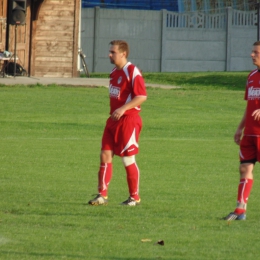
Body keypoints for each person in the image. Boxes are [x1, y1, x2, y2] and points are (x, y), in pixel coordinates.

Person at [88, 40, 147, 206]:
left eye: (113, 52)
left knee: (128, 159)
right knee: (105, 155)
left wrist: (123, 109)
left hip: (128, 121)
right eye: (110, 51)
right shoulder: (114, 72)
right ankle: (102, 195)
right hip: (112, 121)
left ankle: (134, 197)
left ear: (123, 54)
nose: (109, 54)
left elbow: (142, 96)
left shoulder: (132, 71)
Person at [224, 41, 260, 220]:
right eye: (252, 52)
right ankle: (240, 209)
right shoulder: (252, 76)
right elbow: (250, 106)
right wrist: (240, 128)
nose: (252, 55)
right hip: (251, 133)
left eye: (256, 52)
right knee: (244, 167)